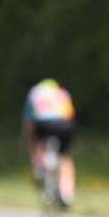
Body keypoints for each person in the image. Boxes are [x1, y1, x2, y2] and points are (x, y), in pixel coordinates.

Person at [21, 79, 76, 207]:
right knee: (65, 158)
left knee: (39, 144)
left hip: (44, 123)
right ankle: (67, 193)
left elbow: (28, 121)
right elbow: (71, 114)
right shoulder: (63, 93)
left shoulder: (35, 93)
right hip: (65, 124)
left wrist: (26, 139)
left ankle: (40, 167)